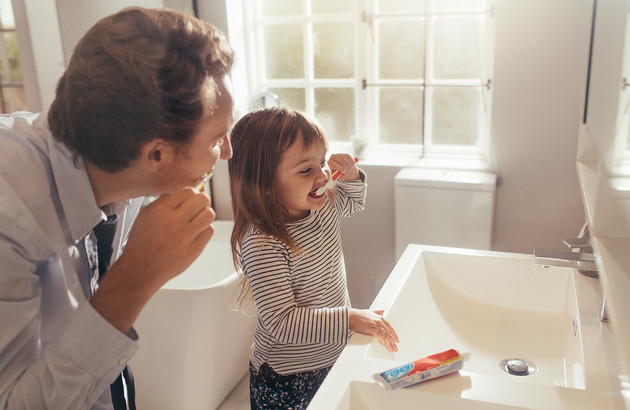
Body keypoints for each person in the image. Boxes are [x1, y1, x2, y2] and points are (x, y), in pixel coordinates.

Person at [0, 7, 234, 409]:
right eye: (217, 138)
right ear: (156, 153)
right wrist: (136, 277)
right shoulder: (11, 215)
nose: (227, 152)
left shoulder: (118, 163)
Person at [228, 106, 399, 409]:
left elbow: (352, 200)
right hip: (287, 376)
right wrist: (351, 318)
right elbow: (282, 321)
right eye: (306, 169)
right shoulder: (264, 243)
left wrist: (353, 174)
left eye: (322, 162)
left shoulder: (324, 206)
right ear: (264, 183)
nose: (322, 176)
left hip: (331, 355)